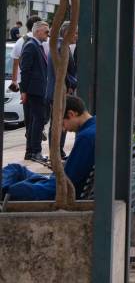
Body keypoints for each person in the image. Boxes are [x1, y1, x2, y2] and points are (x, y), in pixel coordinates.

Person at [1, 95, 95, 201]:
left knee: (16, 188)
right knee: (15, 169)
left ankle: (4, 192)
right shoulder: (94, 127)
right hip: (55, 183)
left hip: (55, 190)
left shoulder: (86, 138)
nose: (64, 129)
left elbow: (67, 181)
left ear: (71, 114)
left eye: (63, 123)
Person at [18, 20, 53, 164]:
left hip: (37, 90)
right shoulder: (31, 46)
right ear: (37, 31)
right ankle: (35, 151)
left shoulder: (36, 46)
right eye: (46, 31)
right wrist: (24, 91)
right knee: (37, 121)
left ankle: (30, 151)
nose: (48, 34)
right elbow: (25, 70)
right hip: (34, 91)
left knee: (36, 121)